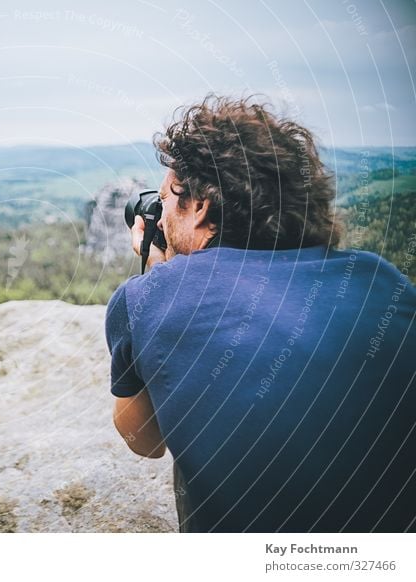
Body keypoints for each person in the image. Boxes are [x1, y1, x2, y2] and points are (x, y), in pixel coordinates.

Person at [105, 94, 416, 532]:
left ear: (200, 208)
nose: (162, 214)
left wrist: (157, 277)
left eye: (166, 201)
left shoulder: (147, 298)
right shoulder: (381, 281)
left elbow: (145, 440)